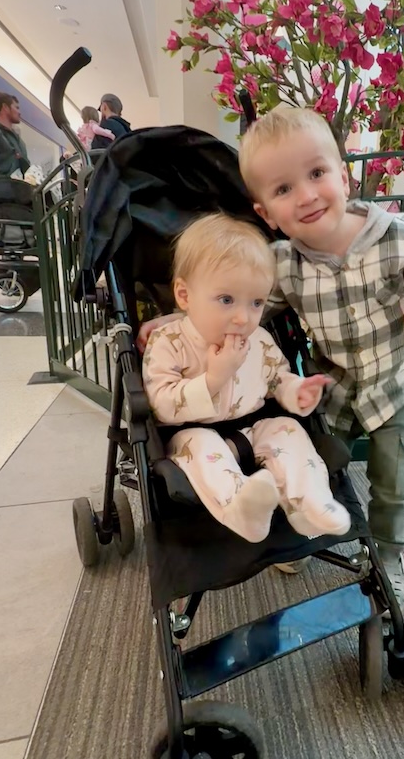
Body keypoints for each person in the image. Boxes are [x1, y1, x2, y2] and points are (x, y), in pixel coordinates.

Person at [139, 108, 404, 602]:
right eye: (284, 189)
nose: (306, 195)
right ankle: (305, 520)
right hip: (333, 387)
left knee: (393, 481)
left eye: (317, 173)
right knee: (317, 459)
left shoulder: (395, 234)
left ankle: (389, 553)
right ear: (266, 213)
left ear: (343, 177)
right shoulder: (282, 264)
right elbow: (243, 307)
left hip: (396, 383)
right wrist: (178, 321)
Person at [142, 212, 351, 544]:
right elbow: (161, 404)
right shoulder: (169, 342)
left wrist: (296, 392)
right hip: (190, 432)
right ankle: (242, 508)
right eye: (226, 300)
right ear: (184, 296)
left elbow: (276, 378)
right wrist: (214, 378)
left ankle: (309, 502)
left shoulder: (259, 340)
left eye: (256, 303)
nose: (243, 317)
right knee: (202, 449)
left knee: (288, 430)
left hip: (252, 425)